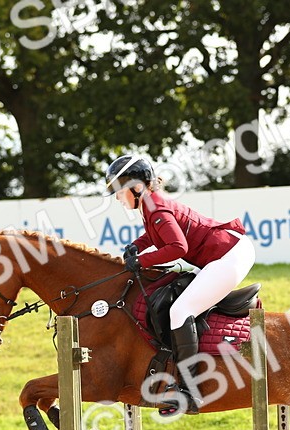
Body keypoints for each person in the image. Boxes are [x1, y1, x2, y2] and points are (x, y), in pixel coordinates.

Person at [105, 155, 256, 416]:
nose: (118, 197)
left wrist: (141, 260)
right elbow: (156, 235)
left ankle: (190, 392)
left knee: (180, 311)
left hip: (229, 255)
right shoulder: (150, 205)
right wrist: (136, 247)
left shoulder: (155, 207)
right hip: (224, 252)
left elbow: (177, 247)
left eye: (120, 190)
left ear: (137, 187)